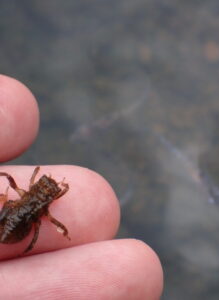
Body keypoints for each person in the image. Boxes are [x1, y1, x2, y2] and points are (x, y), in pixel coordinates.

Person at [0, 74, 163, 299]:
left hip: (18, 217)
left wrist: (62, 230)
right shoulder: (38, 205)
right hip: (18, 217)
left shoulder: (34, 201)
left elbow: (21, 188)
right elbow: (15, 183)